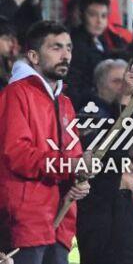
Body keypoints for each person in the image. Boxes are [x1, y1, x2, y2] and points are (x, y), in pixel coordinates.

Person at [0, 21, 88, 264]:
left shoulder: (66, 103)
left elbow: (74, 158)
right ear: (34, 56)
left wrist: (80, 178)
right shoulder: (16, 94)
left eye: (69, 48)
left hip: (61, 224)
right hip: (26, 224)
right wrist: (69, 166)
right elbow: (17, 154)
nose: (66, 55)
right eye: (56, 47)